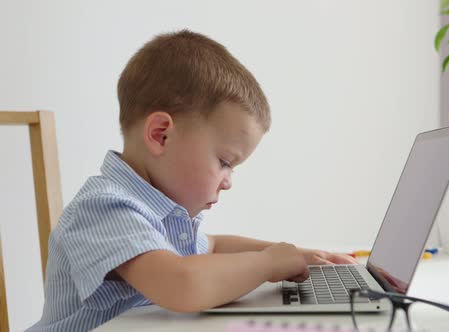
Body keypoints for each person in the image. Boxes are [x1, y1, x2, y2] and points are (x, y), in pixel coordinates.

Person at [27, 30, 356, 332]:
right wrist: (268, 263)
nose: (228, 182)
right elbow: (181, 285)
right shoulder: (105, 207)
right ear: (162, 135)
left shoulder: (160, 212)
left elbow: (213, 246)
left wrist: (296, 254)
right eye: (225, 162)